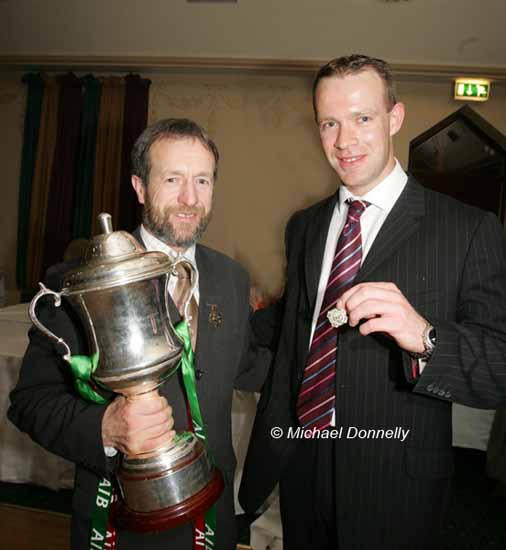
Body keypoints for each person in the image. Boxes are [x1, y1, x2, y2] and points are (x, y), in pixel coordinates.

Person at [239, 54, 506, 549]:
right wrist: (220, 312)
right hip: (302, 460)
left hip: (395, 479)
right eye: (329, 123)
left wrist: (426, 337)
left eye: (362, 118)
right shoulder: (306, 225)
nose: (344, 141)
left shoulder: (468, 229)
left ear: (395, 118)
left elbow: (498, 367)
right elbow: (295, 324)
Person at [9, 118, 266, 550]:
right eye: (172, 179)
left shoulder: (231, 278)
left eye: (202, 180)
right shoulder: (78, 282)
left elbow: (248, 366)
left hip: (213, 516)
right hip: (120, 522)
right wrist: (105, 428)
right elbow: (30, 404)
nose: (190, 198)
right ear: (140, 186)